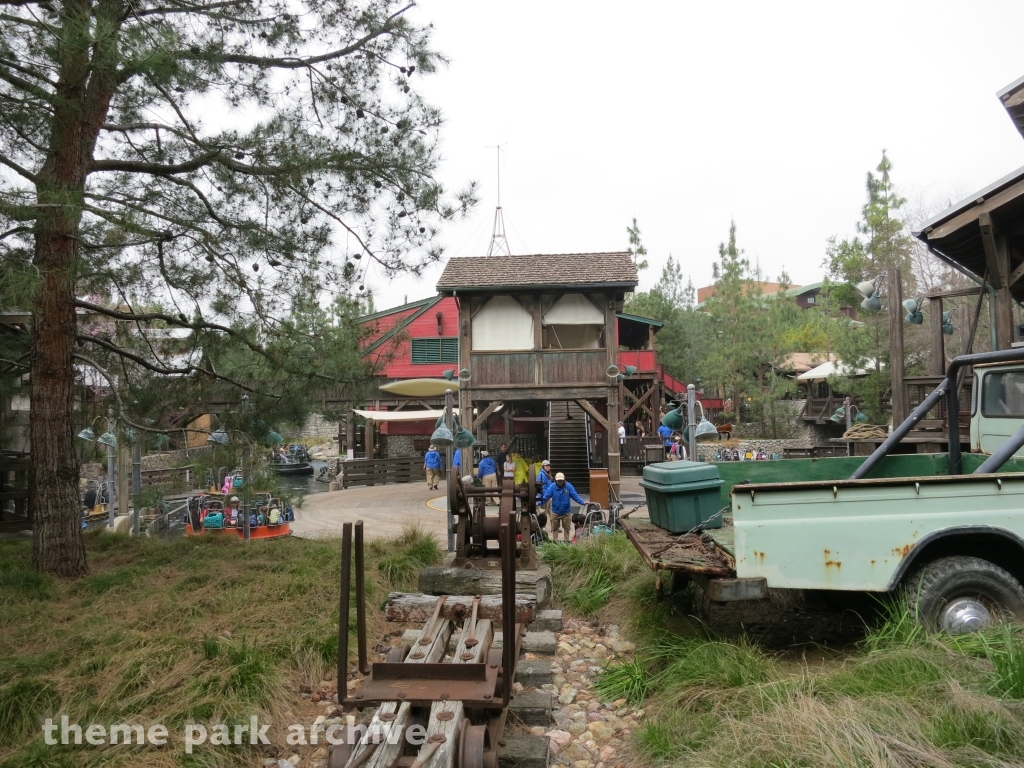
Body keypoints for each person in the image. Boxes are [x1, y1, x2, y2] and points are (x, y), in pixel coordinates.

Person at [542, 472, 586, 543]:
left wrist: (582, 502)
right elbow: (546, 496)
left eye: (561, 480)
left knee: (567, 529)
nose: (560, 482)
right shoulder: (552, 487)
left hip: (566, 513)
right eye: (558, 480)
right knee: (554, 529)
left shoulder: (568, 486)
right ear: (556, 480)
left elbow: (575, 496)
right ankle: (555, 542)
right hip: (555, 512)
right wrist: (539, 502)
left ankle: (566, 542)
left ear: (564, 480)